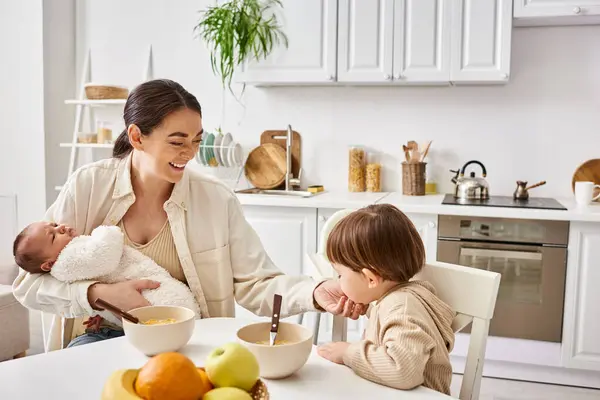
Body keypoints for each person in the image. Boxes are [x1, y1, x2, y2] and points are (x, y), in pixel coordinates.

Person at [12, 78, 365, 350]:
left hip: (191, 343)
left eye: (196, 140)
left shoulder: (215, 199)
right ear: (136, 136)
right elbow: (30, 283)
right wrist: (97, 293)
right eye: (178, 141)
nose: (189, 153)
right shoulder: (89, 185)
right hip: (103, 338)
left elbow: (257, 283)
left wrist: (316, 292)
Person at [316, 204, 455, 395]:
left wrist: (348, 353)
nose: (338, 282)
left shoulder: (402, 307)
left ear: (371, 279)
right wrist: (372, 309)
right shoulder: (400, 298)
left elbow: (403, 370)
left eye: (340, 275)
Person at [12, 222, 200, 334]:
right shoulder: (68, 258)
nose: (61, 227)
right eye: (53, 236)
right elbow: (103, 258)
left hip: (134, 321)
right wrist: (106, 232)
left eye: (54, 225)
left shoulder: (67, 261)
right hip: (151, 302)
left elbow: (103, 278)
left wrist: (100, 312)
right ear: (48, 264)